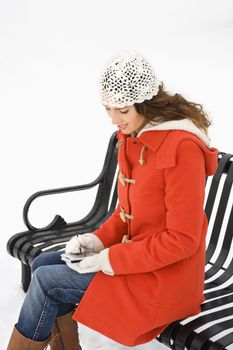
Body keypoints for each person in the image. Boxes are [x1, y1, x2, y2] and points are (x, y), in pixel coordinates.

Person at [6, 50, 219, 350]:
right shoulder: (133, 135)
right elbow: (125, 213)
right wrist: (96, 242)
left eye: (122, 109)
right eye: (108, 109)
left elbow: (182, 240)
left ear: (145, 102)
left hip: (166, 281)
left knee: (46, 281)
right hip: (140, 262)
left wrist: (111, 259)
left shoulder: (182, 149)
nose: (113, 119)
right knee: (43, 263)